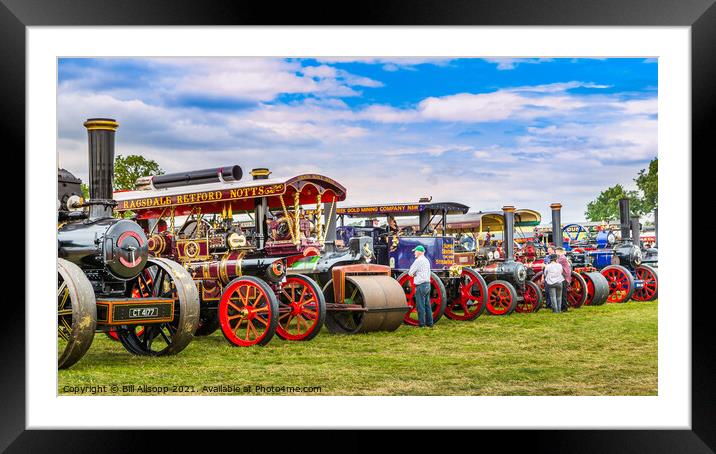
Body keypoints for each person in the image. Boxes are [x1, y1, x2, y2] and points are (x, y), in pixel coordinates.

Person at [407, 245, 433, 327]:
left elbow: (410, 272)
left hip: (421, 285)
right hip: (427, 284)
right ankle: (430, 323)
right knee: (427, 305)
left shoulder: (418, 260)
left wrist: (414, 274)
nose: (414, 253)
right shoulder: (426, 260)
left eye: (415, 251)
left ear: (419, 252)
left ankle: (421, 324)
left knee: (420, 306)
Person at [555, 247, 572, 311]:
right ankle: (563, 306)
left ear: (559, 252)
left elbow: (555, 264)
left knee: (563, 294)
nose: (555, 253)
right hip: (565, 277)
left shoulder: (562, 258)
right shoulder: (563, 257)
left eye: (556, 251)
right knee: (563, 293)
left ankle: (564, 307)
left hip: (564, 278)